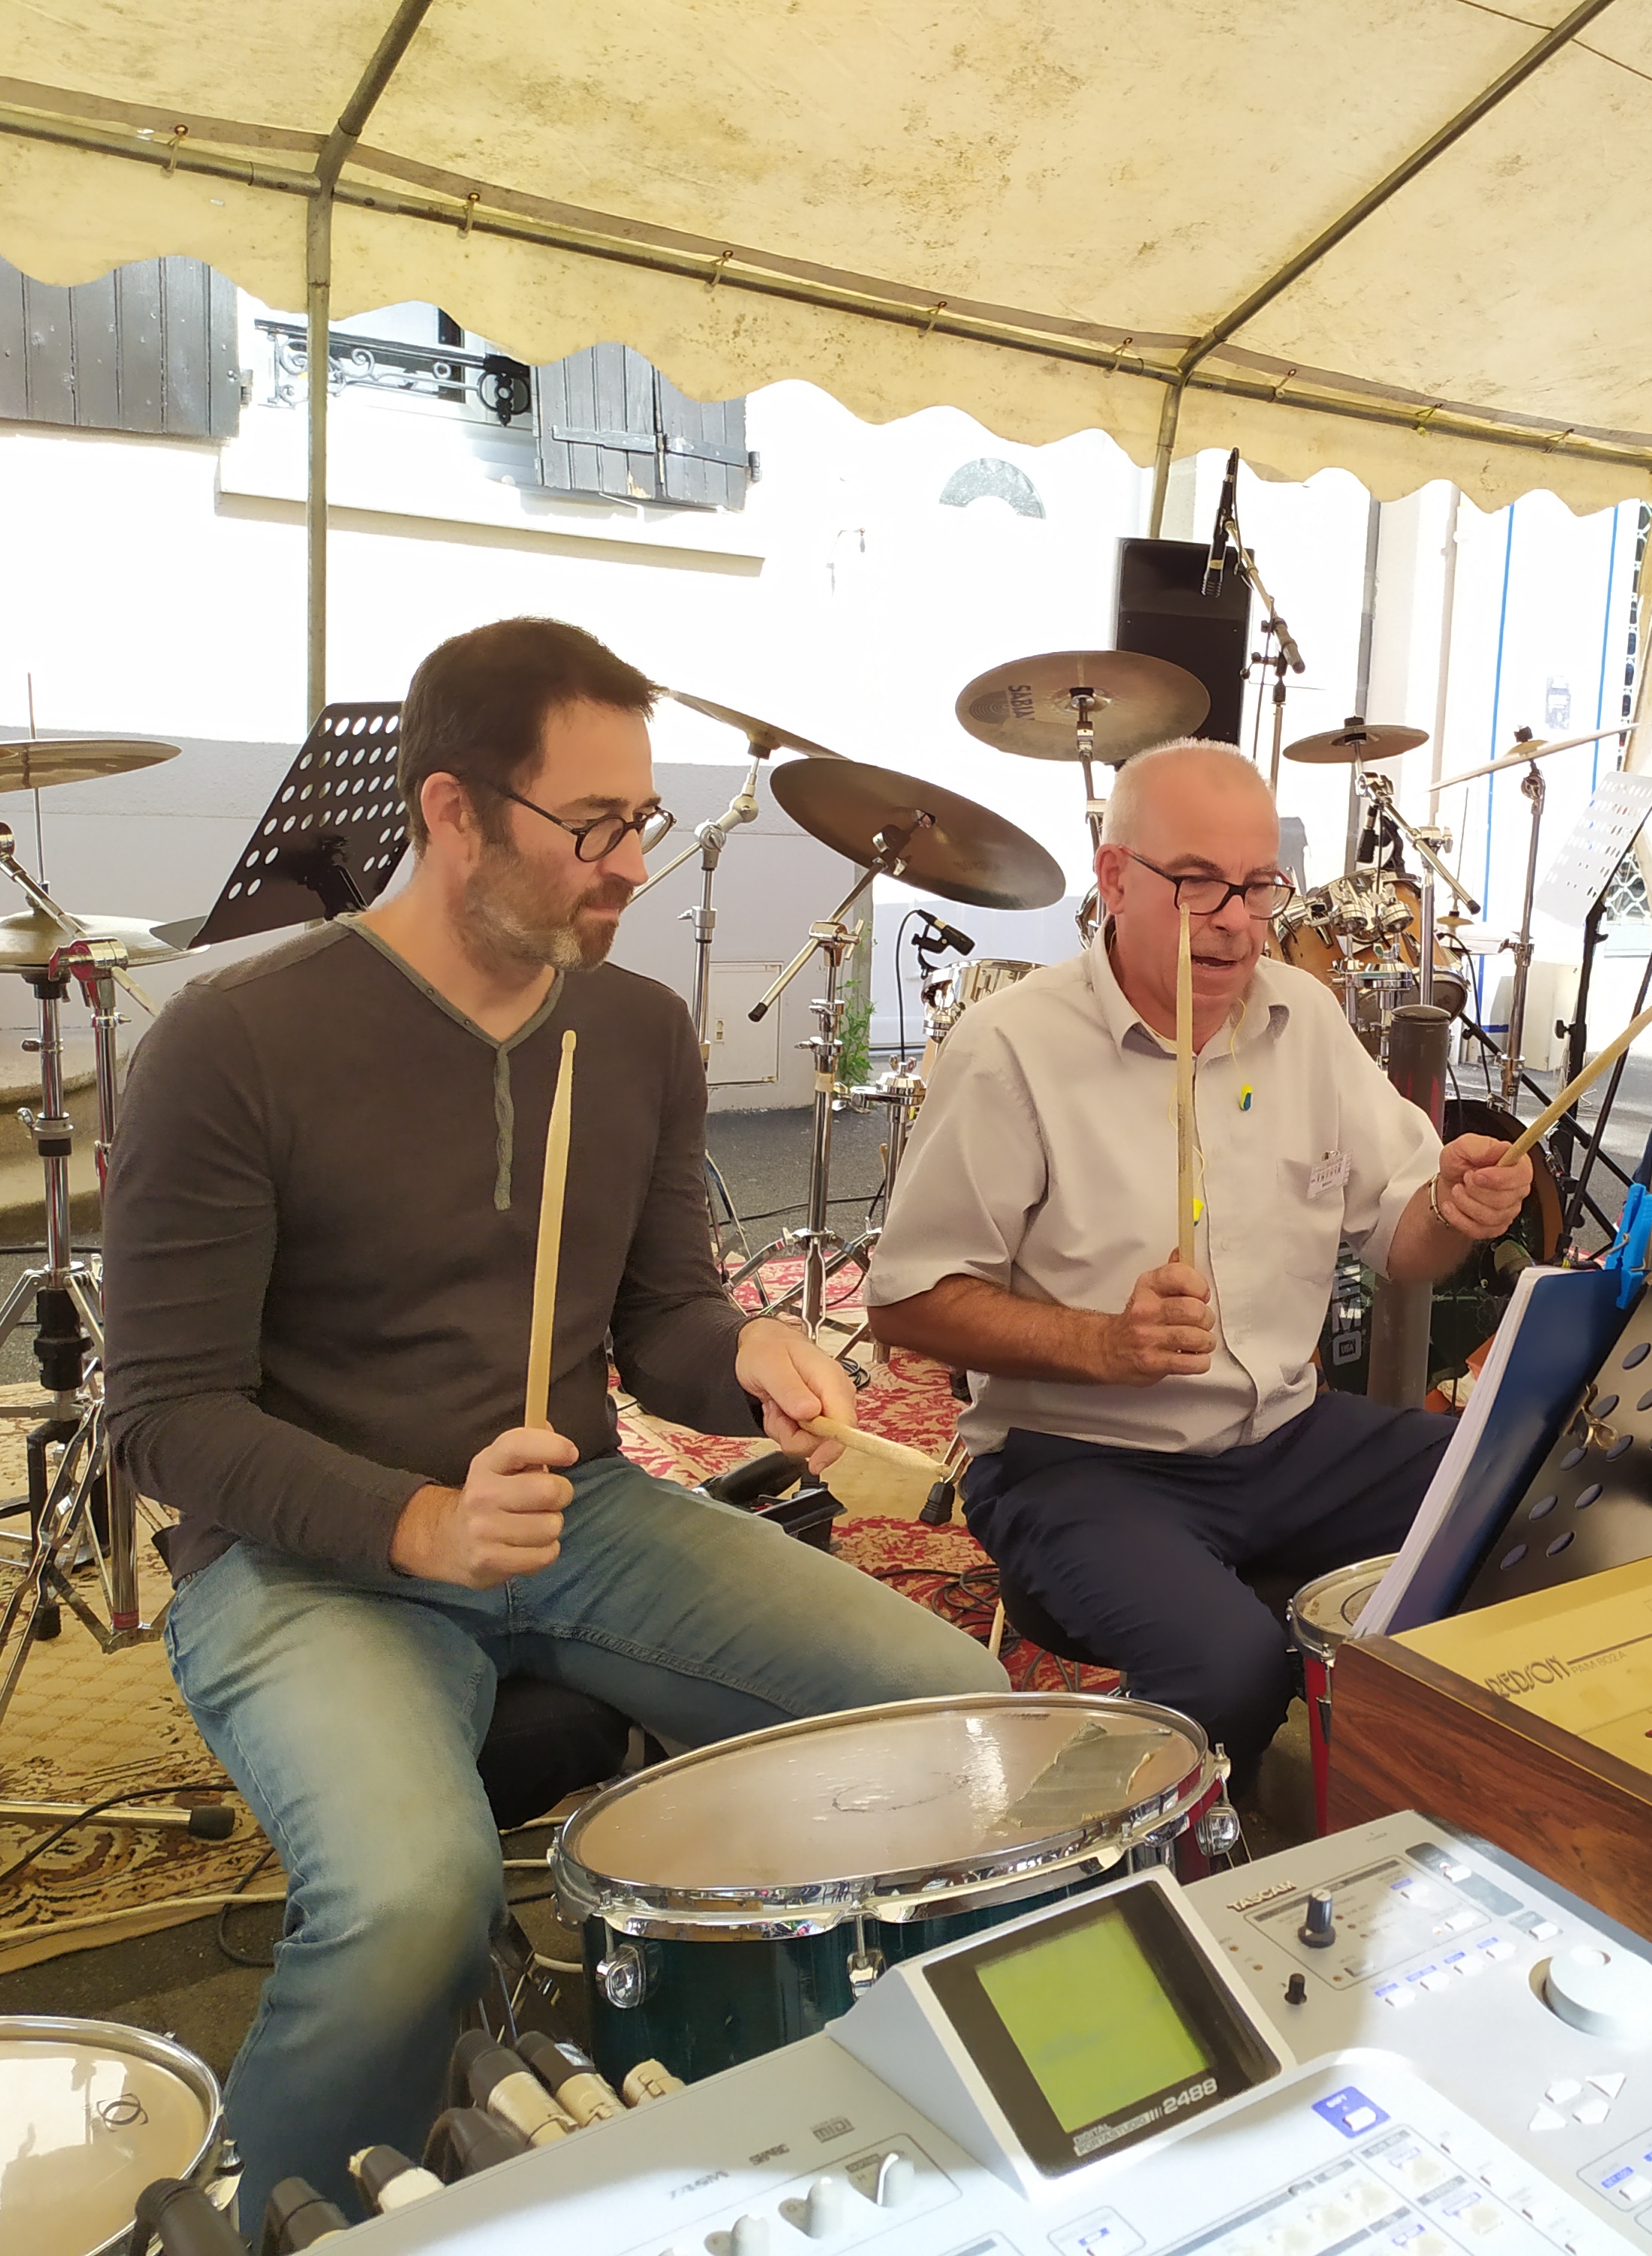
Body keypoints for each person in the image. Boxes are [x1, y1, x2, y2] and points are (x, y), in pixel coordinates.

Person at [103, 619, 1009, 2221]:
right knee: (410, 1899)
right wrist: (419, 1525)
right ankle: (272, 2223)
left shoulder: (634, 1030)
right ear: (452, 812)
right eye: (590, 828)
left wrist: (743, 1354)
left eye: (639, 822)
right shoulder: (233, 1045)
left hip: (575, 1516)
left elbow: (659, 1321)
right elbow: (165, 1419)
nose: (626, 868)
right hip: (311, 1556)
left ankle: (790, 2137)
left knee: (943, 1713)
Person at [864, 741, 1531, 1778]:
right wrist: (1103, 1345)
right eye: (1198, 884)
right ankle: (1070, 1871)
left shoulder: (1302, 1016)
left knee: (1534, 1500)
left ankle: (1437, 1810)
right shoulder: (1013, 1048)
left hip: (1285, 1439)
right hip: (1079, 1461)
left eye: (1259, 884)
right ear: (1115, 878)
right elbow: (906, 1304)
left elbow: (1404, 1239)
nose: (1235, 918)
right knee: (1230, 1672)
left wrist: (1457, 1207)